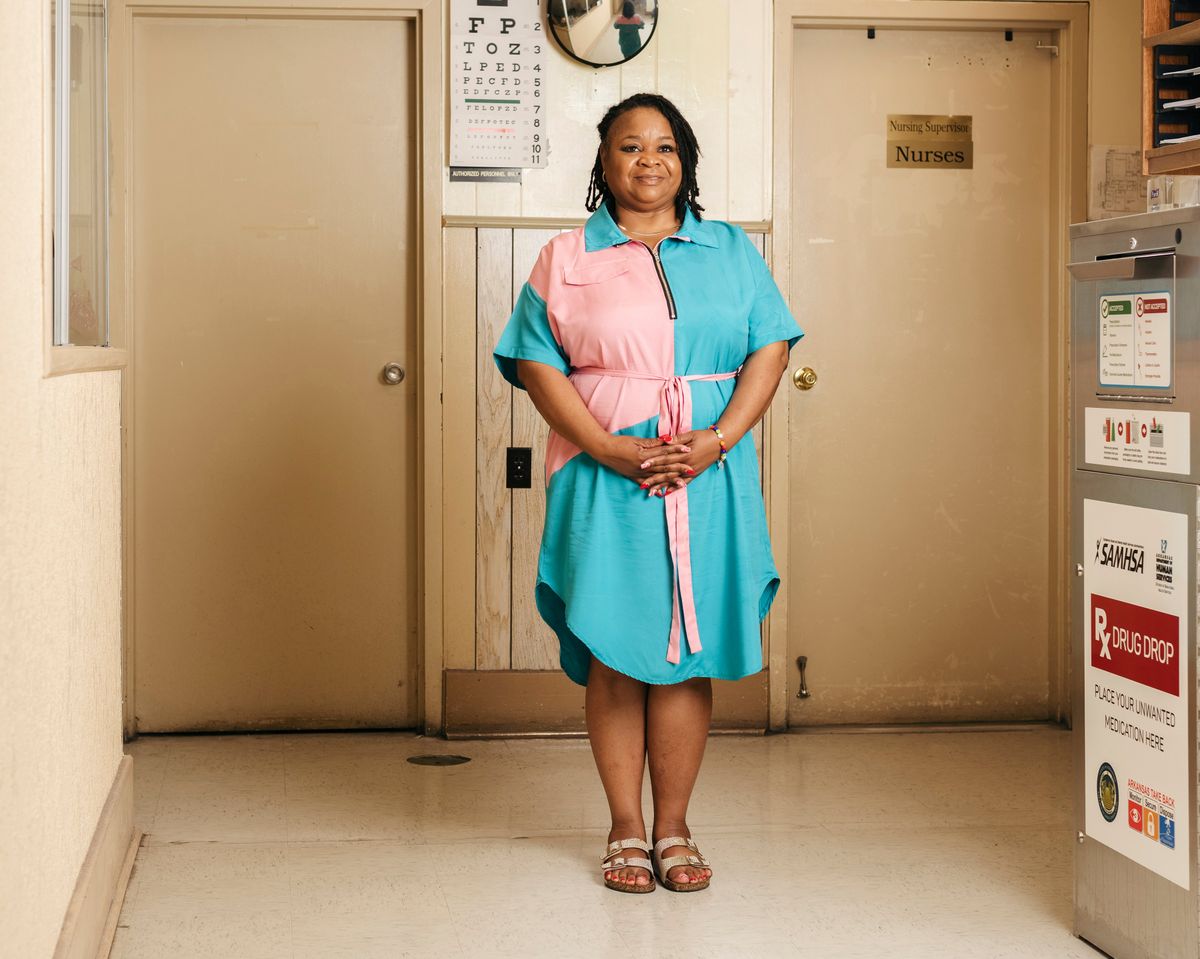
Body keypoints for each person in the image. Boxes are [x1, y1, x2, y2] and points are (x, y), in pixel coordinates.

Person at [492, 93, 804, 894]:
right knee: (614, 648)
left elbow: (769, 347)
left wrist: (718, 438)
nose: (648, 160)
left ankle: (675, 826)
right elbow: (535, 361)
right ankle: (624, 827)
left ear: (685, 161)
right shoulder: (566, 256)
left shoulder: (731, 249)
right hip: (605, 474)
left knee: (685, 650)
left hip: (709, 469)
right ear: (603, 162)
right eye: (630, 146)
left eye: (665, 146)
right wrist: (607, 448)